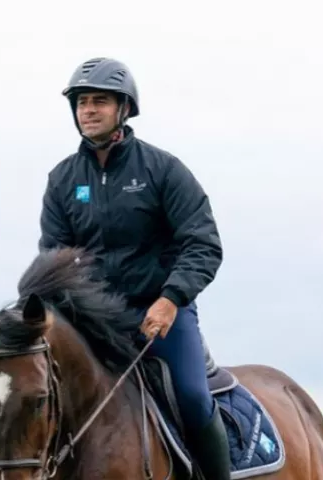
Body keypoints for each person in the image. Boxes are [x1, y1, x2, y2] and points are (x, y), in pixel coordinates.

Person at [37, 57, 231, 480]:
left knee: (194, 397)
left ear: (123, 109)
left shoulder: (163, 170)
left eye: (100, 101)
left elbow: (203, 244)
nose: (89, 110)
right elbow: (53, 260)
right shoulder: (62, 180)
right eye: (82, 102)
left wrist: (171, 299)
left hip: (159, 314)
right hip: (94, 321)